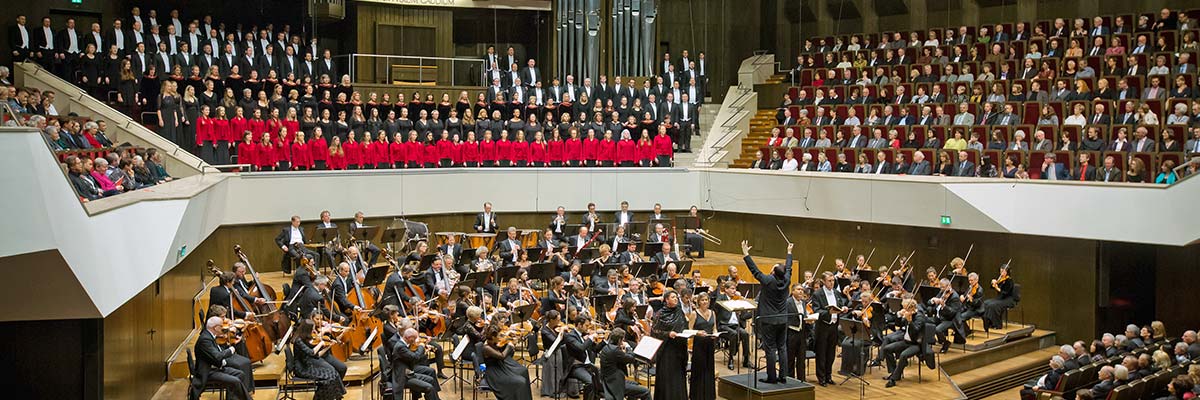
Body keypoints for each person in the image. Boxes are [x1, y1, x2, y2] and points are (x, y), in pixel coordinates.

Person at [741, 240, 793, 384]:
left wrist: (746, 254)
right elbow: (788, 268)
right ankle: (783, 376)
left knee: (770, 349)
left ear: (773, 272)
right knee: (782, 347)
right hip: (783, 319)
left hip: (769, 320)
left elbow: (755, 271)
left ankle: (772, 377)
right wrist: (789, 253)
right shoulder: (787, 280)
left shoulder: (768, 280)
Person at [191, 316, 253, 400]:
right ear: (216, 328)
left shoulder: (209, 335)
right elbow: (217, 357)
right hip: (208, 371)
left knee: (240, 374)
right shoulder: (205, 340)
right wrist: (231, 350)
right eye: (221, 326)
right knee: (235, 381)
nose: (223, 328)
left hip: (215, 367)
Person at [292, 318, 348, 400]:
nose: (314, 331)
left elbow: (317, 355)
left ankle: (332, 397)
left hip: (308, 363)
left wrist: (328, 346)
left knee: (333, 372)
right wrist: (321, 343)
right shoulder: (298, 340)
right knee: (329, 377)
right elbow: (311, 352)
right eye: (312, 329)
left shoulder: (306, 338)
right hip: (302, 368)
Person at [811, 270, 848, 386]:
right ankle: (821, 377)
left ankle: (828, 376)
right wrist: (828, 312)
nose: (832, 283)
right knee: (821, 353)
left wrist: (844, 308)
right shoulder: (817, 294)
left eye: (833, 281)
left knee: (831, 353)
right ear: (823, 281)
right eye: (829, 281)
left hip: (833, 326)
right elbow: (816, 310)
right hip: (823, 327)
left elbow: (840, 305)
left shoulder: (836, 293)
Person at [481, 324, 534, 400]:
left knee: (523, 370)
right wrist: (509, 345)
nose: (500, 338)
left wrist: (511, 340)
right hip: (494, 373)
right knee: (520, 382)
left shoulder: (493, 342)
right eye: (499, 336)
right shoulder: (486, 348)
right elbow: (502, 356)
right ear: (493, 337)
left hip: (500, 367)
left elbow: (504, 350)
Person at [652, 290, 688, 400]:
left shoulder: (679, 311)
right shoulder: (660, 313)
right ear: (666, 300)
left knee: (679, 375)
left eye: (676, 297)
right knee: (668, 376)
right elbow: (654, 331)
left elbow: (684, 325)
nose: (676, 299)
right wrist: (668, 334)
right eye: (673, 297)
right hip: (667, 351)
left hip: (679, 347)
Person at [882, 299, 927, 388]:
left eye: (906, 309)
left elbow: (915, 331)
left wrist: (910, 321)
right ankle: (894, 372)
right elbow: (899, 324)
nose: (904, 310)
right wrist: (899, 315)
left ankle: (893, 379)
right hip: (905, 341)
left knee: (903, 355)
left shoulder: (919, 317)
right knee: (887, 349)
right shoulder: (908, 314)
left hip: (916, 344)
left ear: (912, 308)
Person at [389, 328, 441, 400]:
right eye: (415, 338)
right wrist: (421, 346)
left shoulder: (403, 344)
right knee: (429, 388)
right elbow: (415, 357)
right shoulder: (400, 347)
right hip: (403, 377)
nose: (416, 340)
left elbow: (411, 356)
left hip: (409, 373)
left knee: (431, 380)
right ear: (409, 338)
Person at [600, 328, 651, 400]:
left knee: (636, 384)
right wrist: (628, 347)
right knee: (646, 391)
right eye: (623, 339)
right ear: (619, 340)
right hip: (615, 384)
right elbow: (631, 359)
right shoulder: (615, 350)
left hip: (608, 380)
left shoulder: (606, 347)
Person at [784, 284, 812, 381]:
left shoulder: (804, 303)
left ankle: (802, 380)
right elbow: (785, 318)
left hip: (801, 334)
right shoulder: (787, 302)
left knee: (801, 360)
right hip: (791, 333)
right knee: (790, 359)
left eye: (802, 290)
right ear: (793, 291)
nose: (801, 291)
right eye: (798, 289)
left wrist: (808, 321)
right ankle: (790, 380)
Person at [982, 263, 1015, 331]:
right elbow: (992, 287)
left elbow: (1005, 293)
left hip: (1008, 299)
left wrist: (997, 288)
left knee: (993, 305)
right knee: (985, 303)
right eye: (1001, 271)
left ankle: (997, 324)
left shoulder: (1009, 281)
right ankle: (989, 323)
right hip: (1000, 298)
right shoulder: (1001, 279)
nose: (1001, 273)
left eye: (1003, 271)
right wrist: (993, 283)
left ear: (1007, 272)